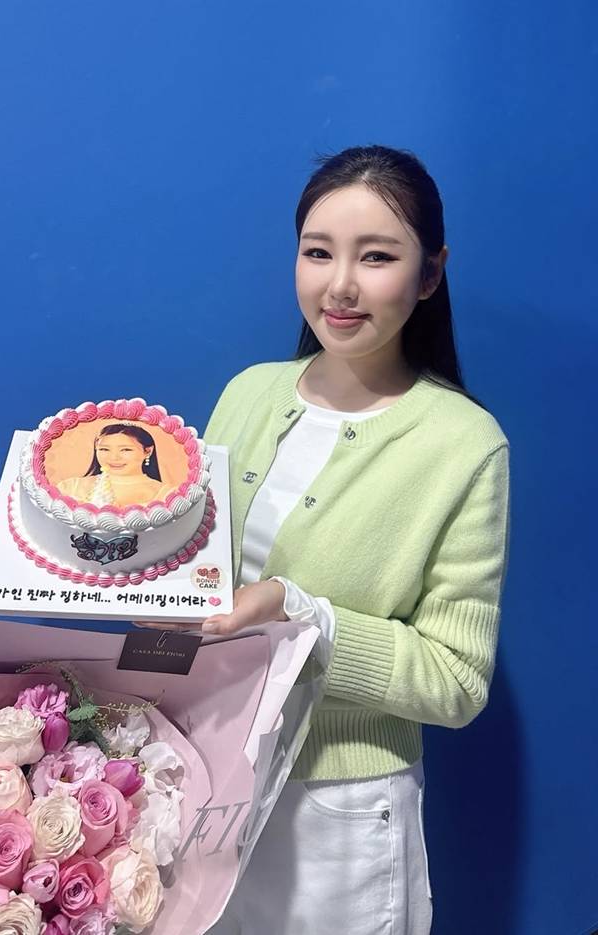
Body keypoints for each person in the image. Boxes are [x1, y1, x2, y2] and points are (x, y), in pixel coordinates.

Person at [201, 145, 511, 935]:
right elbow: (187, 575)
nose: (339, 285)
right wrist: (76, 543)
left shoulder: (463, 444)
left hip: (337, 814)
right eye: (317, 252)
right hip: (201, 780)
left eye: (376, 257)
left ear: (431, 273)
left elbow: (457, 680)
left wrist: (304, 616)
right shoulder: (248, 392)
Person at [56, 422, 175, 507]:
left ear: (148, 451)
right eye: (104, 449)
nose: (114, 458)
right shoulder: (70, 487)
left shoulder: (167, 495)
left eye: (126, 450)